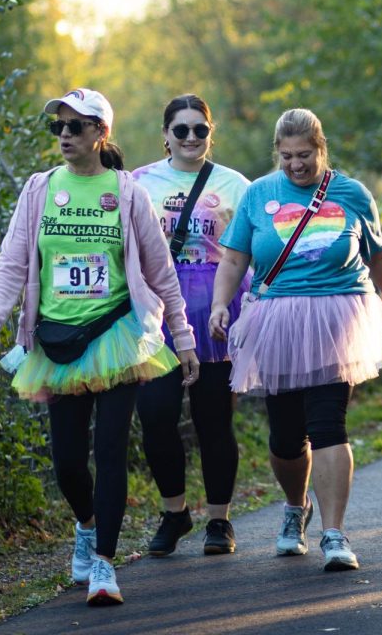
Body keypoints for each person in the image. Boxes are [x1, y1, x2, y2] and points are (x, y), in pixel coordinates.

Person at [0, 88, 199, 606]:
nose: (66, 135)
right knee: (67, 463)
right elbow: (12, 264)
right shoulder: (38, 190)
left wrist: (181, 337)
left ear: (102, 132)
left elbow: (161, 273)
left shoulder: (125, 192)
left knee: (110, 451)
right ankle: (86, 524)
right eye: (59, 127)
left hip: (116, 336)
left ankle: (104, 563)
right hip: (56, 340)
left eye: (77, 126)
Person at [208, 108, 382, 571]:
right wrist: (221, 304)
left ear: (322, 149)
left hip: (338, 314)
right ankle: (296, 507)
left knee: (327, 424)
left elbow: (378, 258)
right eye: (286, 157)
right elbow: (235, 260)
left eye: (304, 155)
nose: (296, 165)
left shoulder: (352, 193)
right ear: (277, 153)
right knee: (284, 436)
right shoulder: (259, 194)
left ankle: (334, 534)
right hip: (276, 319)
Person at [130, 94, 251, 557]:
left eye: (199, 129)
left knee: (214, 420)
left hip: (217, 313)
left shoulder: (236, 185)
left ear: (210, 133)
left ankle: (219, 521)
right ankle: (174, 512)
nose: (190, 138)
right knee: (157, 417)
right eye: (180, 130)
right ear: (165, 135)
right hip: (156, 317)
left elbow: (250, 250)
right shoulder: (138, 183)